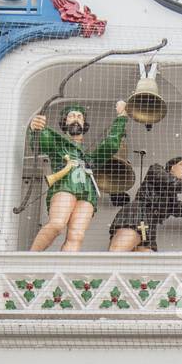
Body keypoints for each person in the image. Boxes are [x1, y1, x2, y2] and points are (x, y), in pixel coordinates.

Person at [29, 100, 128, 252]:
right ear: (64, 122)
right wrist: (36, 129)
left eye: (80, 117)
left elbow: (111, 144)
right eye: (71, 116)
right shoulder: (58, 144)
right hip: (65, 185)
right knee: (57, 224)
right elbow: (42, 141)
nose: (76, 118)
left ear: (84, 124)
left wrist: (121, 117)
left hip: (87, 192)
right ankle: (32, 257)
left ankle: (64, 267)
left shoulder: (90, 158)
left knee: (76, 235)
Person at [109, 157, 182, 251]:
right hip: (136, 214)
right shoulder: (156, 170)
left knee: (147, 267)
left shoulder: (171, 202)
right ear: (172, 167)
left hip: (150, 226)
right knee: (118, 251)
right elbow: (170, 182)